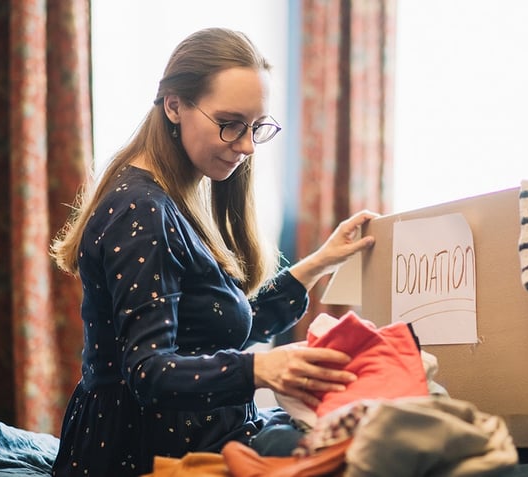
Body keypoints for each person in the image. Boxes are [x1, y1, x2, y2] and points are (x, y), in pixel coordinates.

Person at [49, 27, 377, 476]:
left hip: (204, 432)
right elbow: (149, 372)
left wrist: (321, 262)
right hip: (140, 452)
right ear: (174, 106)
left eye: (255, 127)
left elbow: (214, 330)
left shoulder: (174, 196)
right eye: (230, 124)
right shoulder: (140, 210)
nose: (245, 146)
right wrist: (261, 369)